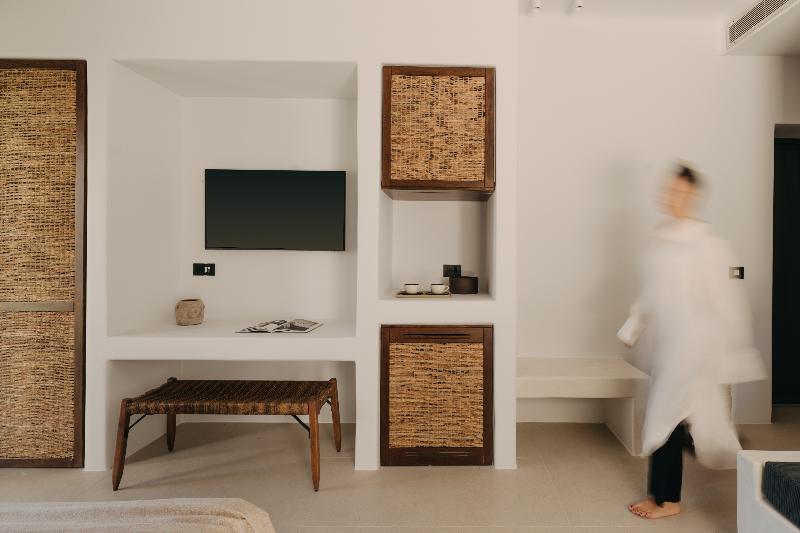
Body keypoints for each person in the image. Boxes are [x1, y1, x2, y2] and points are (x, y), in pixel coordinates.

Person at [618, 165, 766, 519]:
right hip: (670, 346)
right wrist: (632, 327)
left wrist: (734, 353)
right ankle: (724, 453)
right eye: (669, 190)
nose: (672, 197)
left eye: (680, 192)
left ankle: (667, 500)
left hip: (696, 348)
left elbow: (727, 300)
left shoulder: (708, 244)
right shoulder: (661, 239)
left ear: (693, 196)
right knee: (684, 417)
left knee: (664, 417)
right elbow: (653, 292)